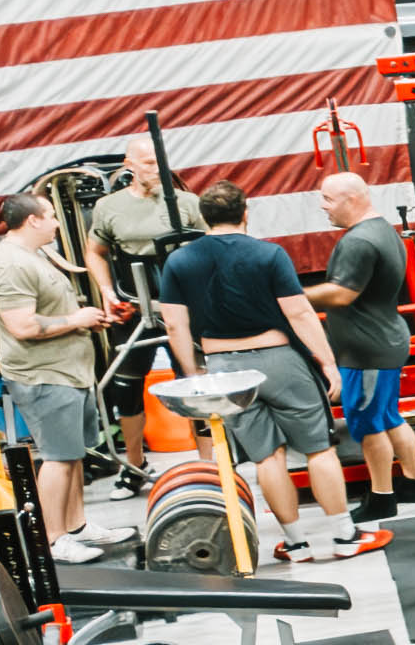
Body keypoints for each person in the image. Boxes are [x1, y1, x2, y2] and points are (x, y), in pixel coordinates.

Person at [155, 182, 380, 563]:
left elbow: (175, 326)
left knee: (266, 457)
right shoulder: (269, 254)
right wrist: (327, 361)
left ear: (202, 218)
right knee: (318, 448)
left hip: (225, 369)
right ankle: (345, 536)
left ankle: (294, 544)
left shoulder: (178, 261)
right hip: (280, 360)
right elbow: (300, 313)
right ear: (246, 212)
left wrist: (195, 373)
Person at [0, 194, 136, 563]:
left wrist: (92, 317)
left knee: (73, 454)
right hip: (44, 376)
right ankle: (53, 540)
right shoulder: (9, 265)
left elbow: (52, 312)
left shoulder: (34, 257)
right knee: (57, 458)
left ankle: (77, 526)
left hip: (70, 372)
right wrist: (76, 321)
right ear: (32, 221)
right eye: (50, 216)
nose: (56, 222)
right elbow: (21, 326)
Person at [301, 171, 415, 524]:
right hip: (381, 342)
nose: (323, 207)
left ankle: (382, 498)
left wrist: (290, 296)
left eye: (328, 199)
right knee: (388, 417)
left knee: (369, 425)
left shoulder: (359, 241)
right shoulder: (382, 229)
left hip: (368, 352)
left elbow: (342, 293)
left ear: (351, 199)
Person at [82, 149, 189, 311]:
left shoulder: (187, 201)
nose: (158, 168)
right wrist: (107, 292)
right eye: (149, 163)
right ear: (129, 165)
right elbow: (95, 252)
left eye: (161, 161)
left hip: (190, 298)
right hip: (138, 303)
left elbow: (216, 243)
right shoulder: (108, 207)